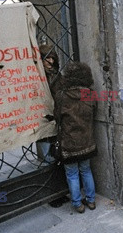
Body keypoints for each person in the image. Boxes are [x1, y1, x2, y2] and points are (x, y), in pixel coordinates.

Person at [54, 62, 97, 213]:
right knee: (86, 170)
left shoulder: (62, 95)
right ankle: (91, 201)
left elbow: (57, 117)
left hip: (69, 143)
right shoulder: (90, 94)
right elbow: (94, 114)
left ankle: (78, 204)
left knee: (72, 174)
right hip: (87, 140)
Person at [37, 44, 63, 164]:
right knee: (45, 155)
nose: (50, 61)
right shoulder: (36, 76)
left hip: (56, 115)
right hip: (42, 117)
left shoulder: (57, 76)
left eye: (52, 58)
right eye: (47, 58)